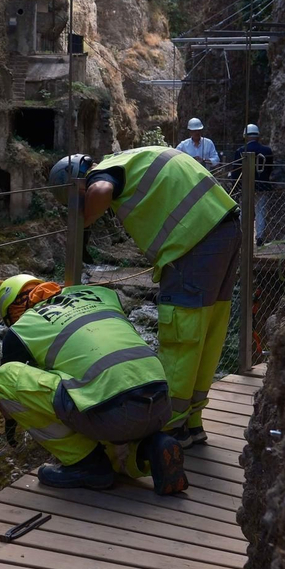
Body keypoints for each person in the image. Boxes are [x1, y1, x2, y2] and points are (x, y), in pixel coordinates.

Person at [49, 147, 239, 448]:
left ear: (77, 182)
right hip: (225, 228)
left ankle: (171, 429)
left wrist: (80, 222)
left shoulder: (103, 174)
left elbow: (101, 189)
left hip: (192, 242)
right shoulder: (133, 158)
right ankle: (192, 422)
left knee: (182, 336)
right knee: (208, 331)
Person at [0, 275, 188, 494]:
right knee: (101, 395)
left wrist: (12, 416)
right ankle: (151, 447)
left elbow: (8, 395)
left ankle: (85, 464)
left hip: (115, 414)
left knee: (4, 377)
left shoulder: (23, 328)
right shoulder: (99, 295)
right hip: (160, 401)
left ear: (12, 312)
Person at [232, 124, 274, 243]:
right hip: (262, 185)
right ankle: (259, 236)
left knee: (244, 211)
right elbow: (270, 168)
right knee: (261, 210)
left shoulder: (241, 151)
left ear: (245, 136)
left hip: (245, 186)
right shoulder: (267, 150)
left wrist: (235, 186)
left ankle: (241, 235)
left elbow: (236, 172)